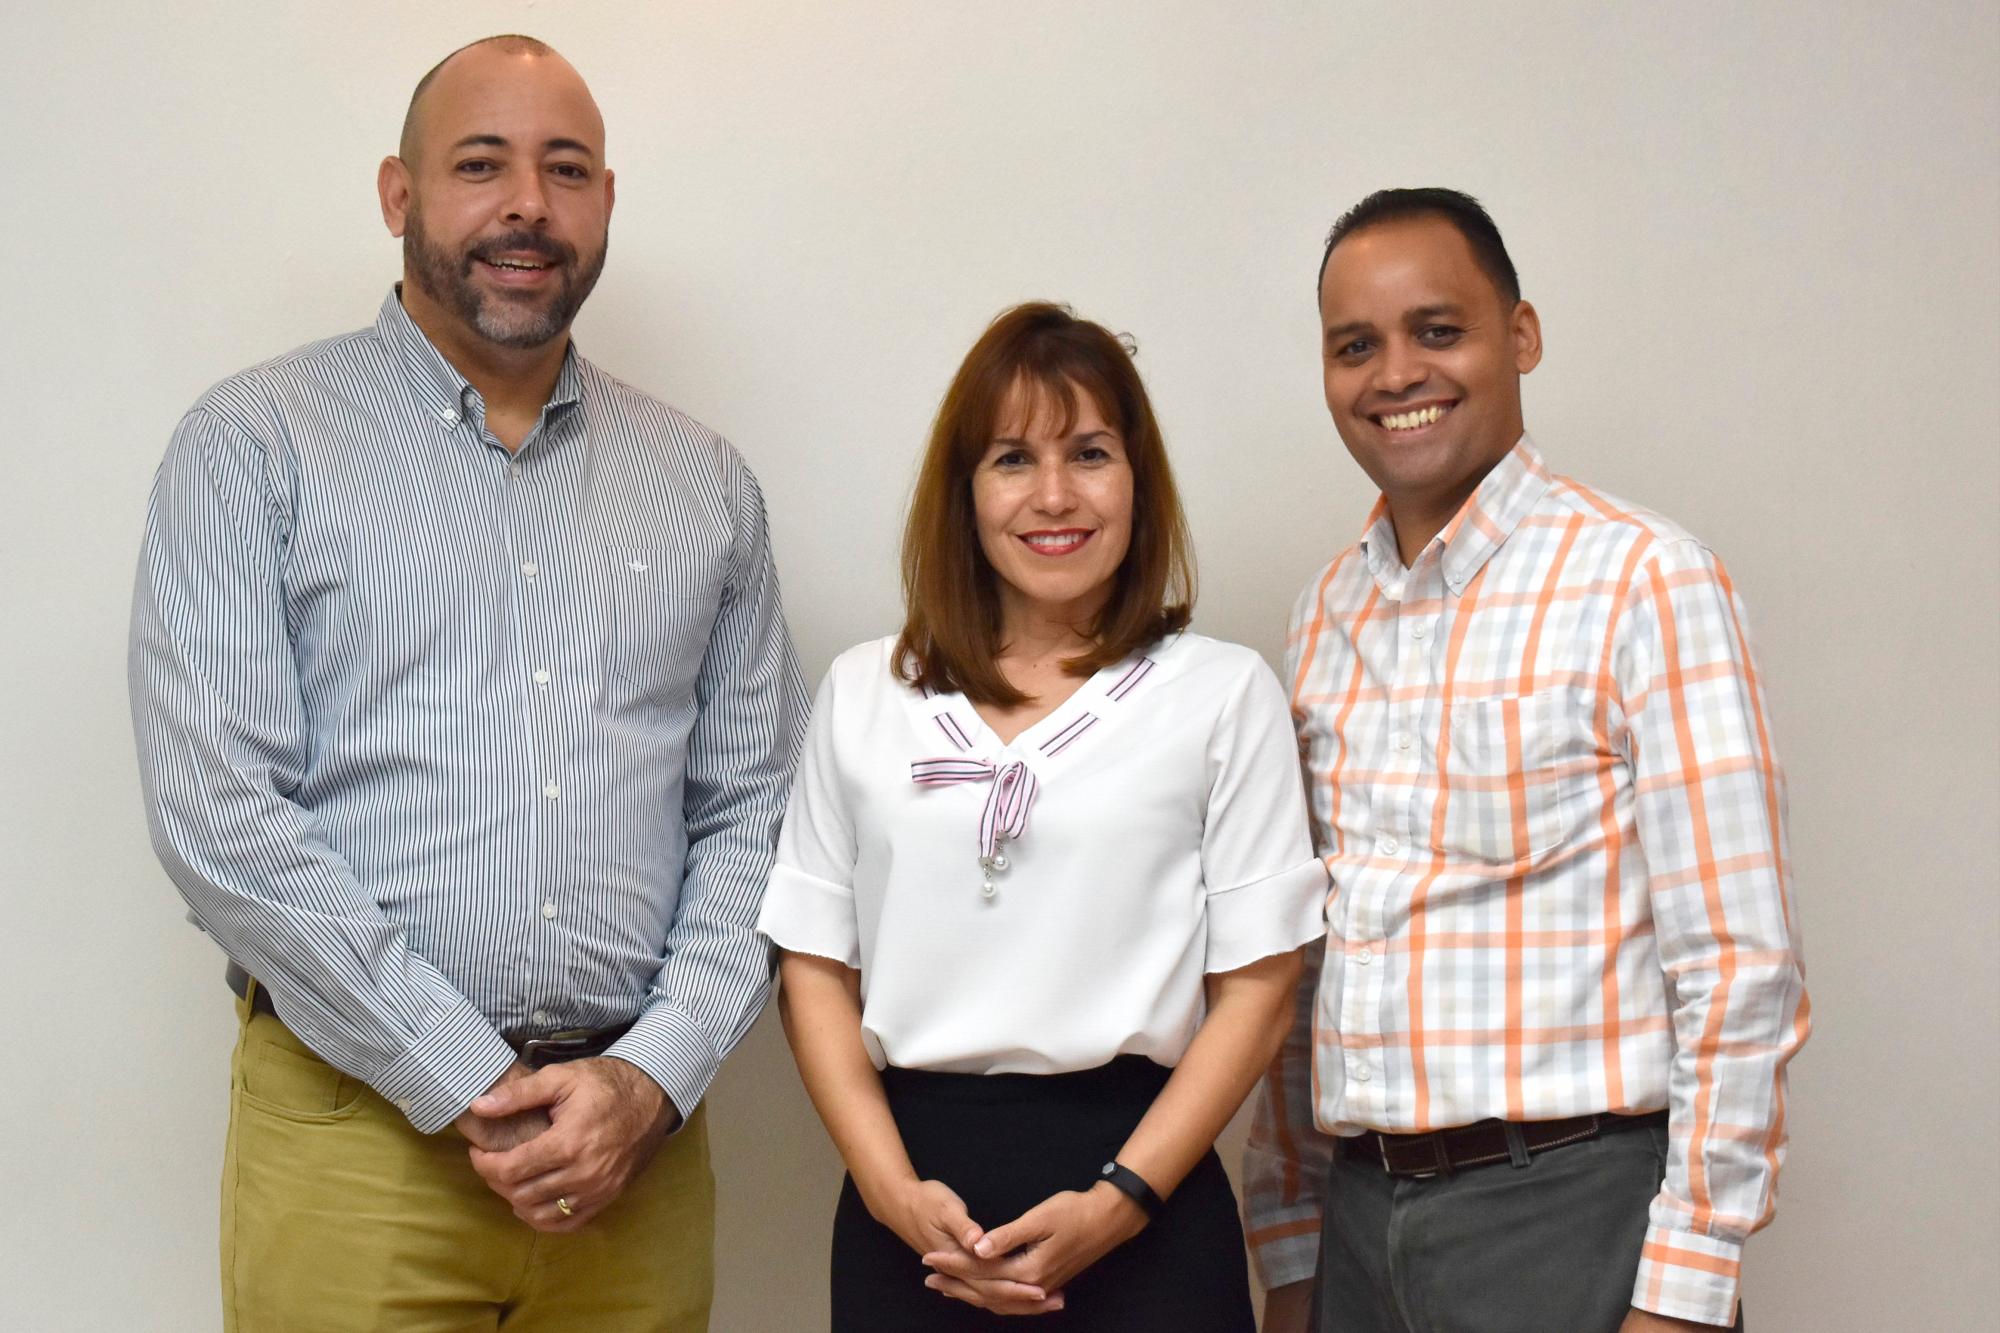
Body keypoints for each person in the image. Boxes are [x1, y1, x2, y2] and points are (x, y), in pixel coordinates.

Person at [128, 34, 805, 1332]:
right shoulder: (253, 446)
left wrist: (651, 1077)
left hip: (633, 1158)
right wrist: (459, 1070)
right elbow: (219, 808)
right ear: (399, 194)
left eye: (567, 169)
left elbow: (756, 815)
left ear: (608, 199)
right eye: (480, 165)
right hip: (358, 1141)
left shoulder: (706, 484)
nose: (527, 207)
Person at [1243, 188, 1808, 1332]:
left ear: (1520, 335)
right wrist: (1292, 1245)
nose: (1395, 373)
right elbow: (1303, 970)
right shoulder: (1320, 616)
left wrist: (1686, 1288)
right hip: (1357, 1224)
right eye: (1354, 346)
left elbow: (1735, 962)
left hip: (1569, 1214)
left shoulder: (1643, 579)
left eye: (1435, 330)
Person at [756, 302, 1328, 1331]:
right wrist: (891, 1192)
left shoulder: (1220, 694)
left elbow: (1260, 987)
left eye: (1090, 453)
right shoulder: (864, 692)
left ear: (1138, 480)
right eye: (1013, 458)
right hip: (911, 1223)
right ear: (965, 490)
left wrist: (1121, 1200)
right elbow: (812, 967)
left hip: (1146, 1208)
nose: (1054, 495)